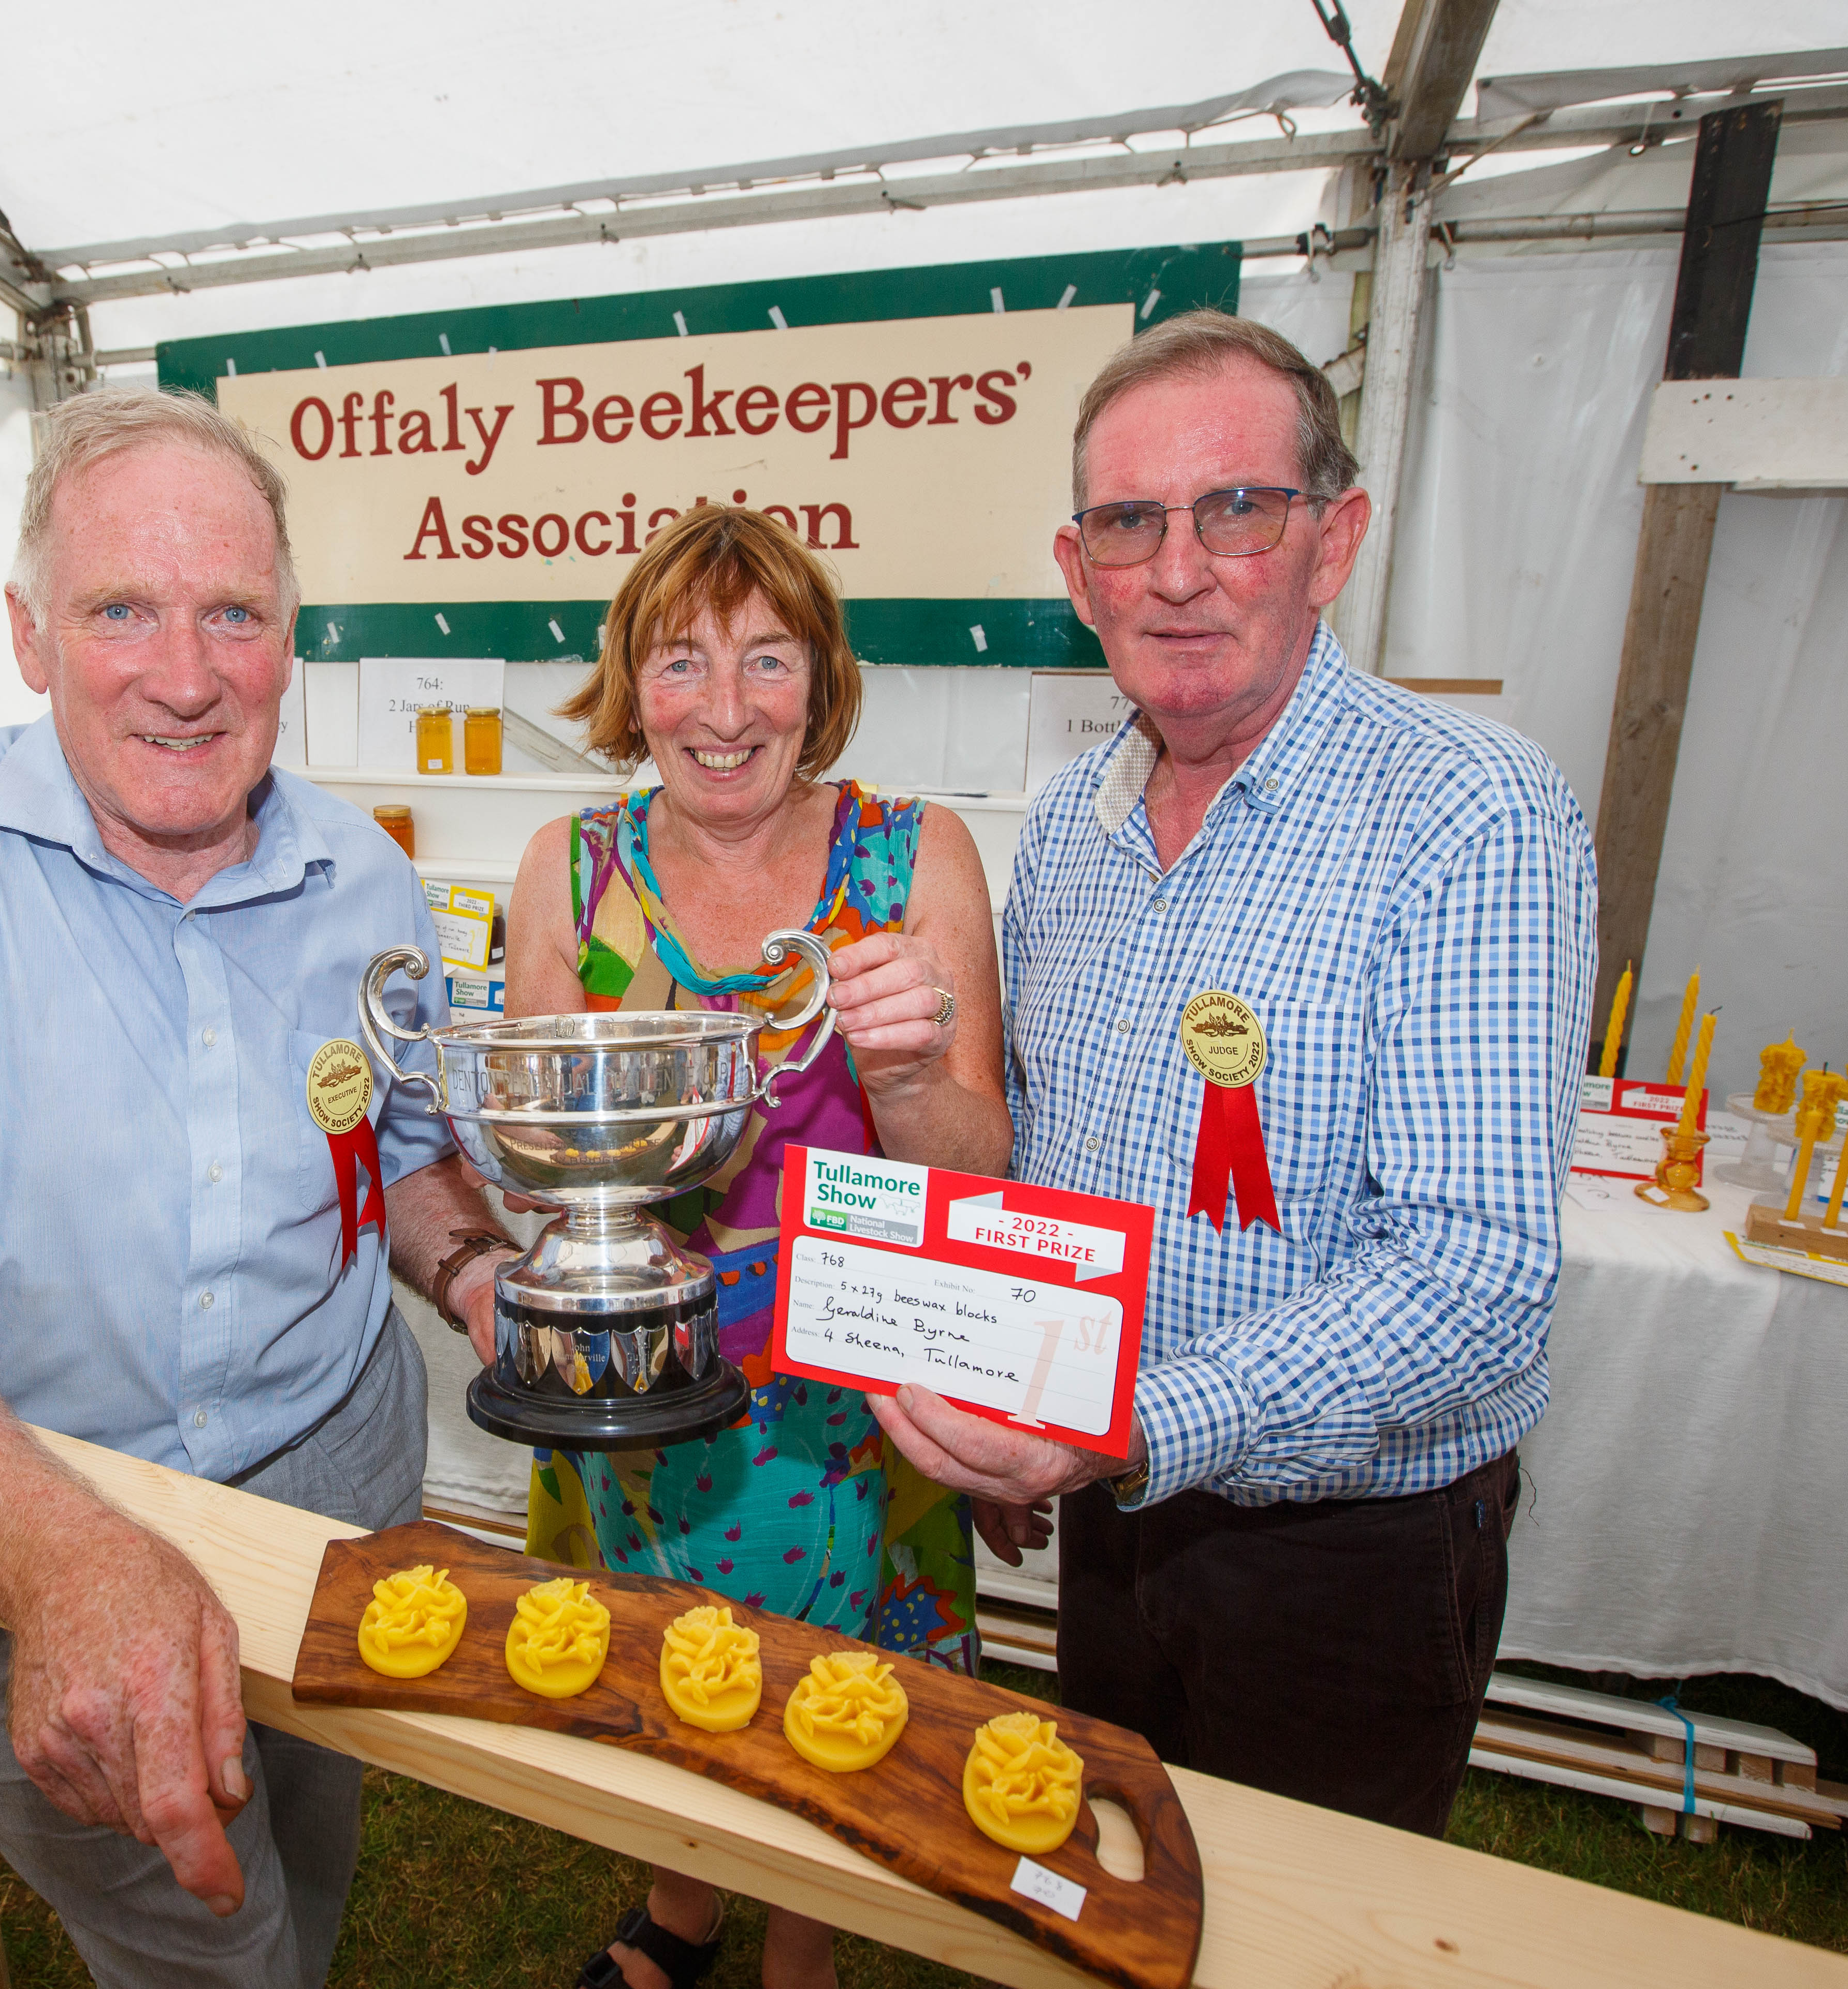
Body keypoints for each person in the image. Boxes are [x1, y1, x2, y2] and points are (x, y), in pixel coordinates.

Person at [0, 387, 520, 1988]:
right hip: (42, 1513)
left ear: (291, 638)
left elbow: (401, 1151)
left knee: (311, 1855)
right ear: (29, 636)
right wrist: (71, 1565)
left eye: (233, 613)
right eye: (120, 612)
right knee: (212, 1950)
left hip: (336, 1485)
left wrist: (473, 1273)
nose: (185, 673)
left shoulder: (366, 877)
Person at [871, 310, 1596, 1836]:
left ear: (1336, 541)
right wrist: (1018, 1393)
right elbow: (1047, 1162)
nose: (1179, 571)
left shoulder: (1470, 811)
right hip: (1111, 1504)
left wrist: (1125, 1422)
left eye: (1237, 511)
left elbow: (1476, 1274)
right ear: (1078, 571)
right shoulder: (1071, 827)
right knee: (1121, 1874)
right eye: (1129, 523)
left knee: (1304, 1928)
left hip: (1344, 1552)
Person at [499, 504, 1014, 1989]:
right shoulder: (571, 870)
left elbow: (976, 1173)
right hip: (645, 1372)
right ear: (632, 685)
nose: (724, 710)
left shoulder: (913, 858)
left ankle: (803, 1945)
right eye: (681, 662)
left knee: (839, 1695)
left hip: (854, 1396)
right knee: (665, 1666)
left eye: (767, 659)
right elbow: (538, 1181)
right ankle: (683, 1907)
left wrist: (905, 1076)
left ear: (821, 680)